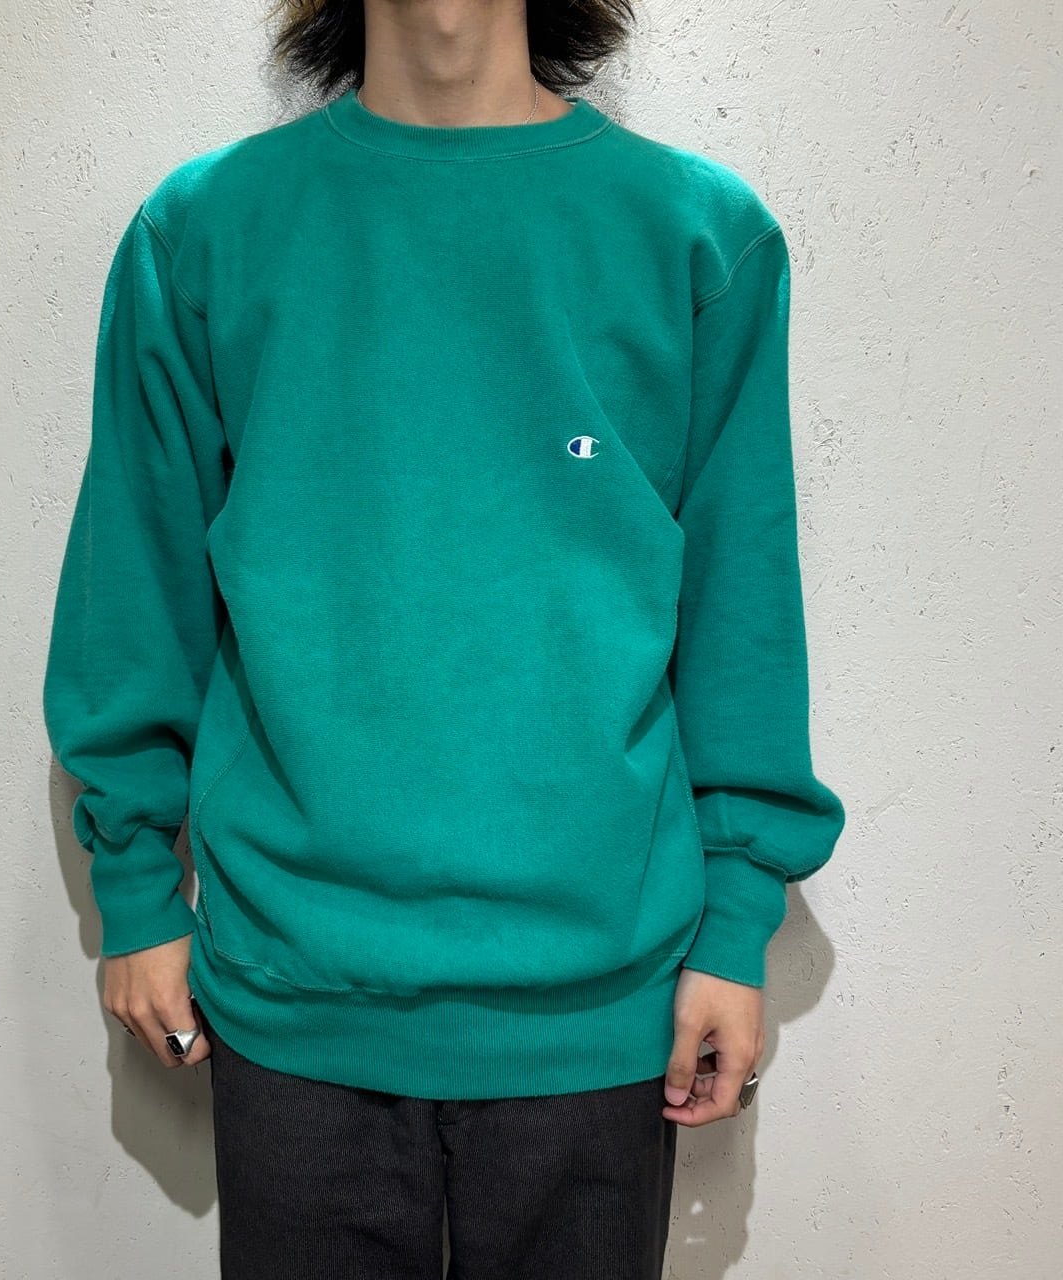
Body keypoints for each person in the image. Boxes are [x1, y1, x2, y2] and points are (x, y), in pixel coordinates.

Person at [41, 1, 847, 1275]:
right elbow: (133, 586)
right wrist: (134, 888)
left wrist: (736, 919)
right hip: (293, 991)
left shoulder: (698, 236)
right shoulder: (203, 232)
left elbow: (741, 610)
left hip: (602, 1000)